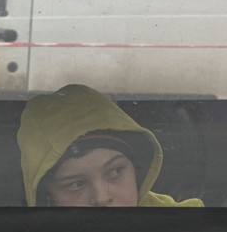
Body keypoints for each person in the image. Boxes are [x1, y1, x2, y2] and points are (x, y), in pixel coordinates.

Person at [18, 83, 204, 208]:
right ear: (47, 197)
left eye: (115, 171)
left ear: (137, 172)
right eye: (75, 184)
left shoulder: (185, 228)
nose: (101, 198)